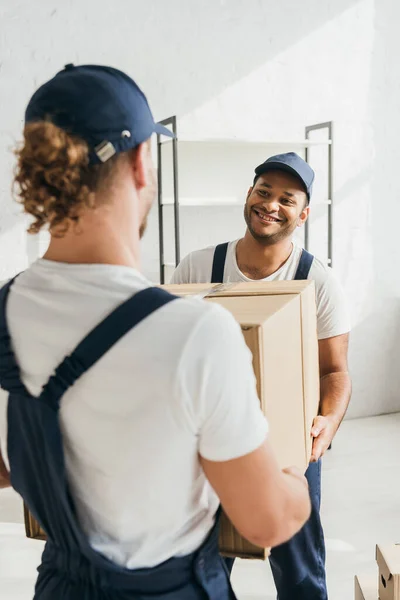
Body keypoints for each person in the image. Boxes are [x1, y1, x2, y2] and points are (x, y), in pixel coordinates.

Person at [0, 65, 311, 600]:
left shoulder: (4, 311)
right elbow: (267, 523)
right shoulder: (193, 333)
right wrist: (296, 478)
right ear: (142, 162)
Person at [171, 152, 352, 600]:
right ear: (248, 196)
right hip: (211, 443)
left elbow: (335, 371)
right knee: (203, 566)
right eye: (263, 192)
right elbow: (170, 357)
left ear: (304, 213)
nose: (271, 204)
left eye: (286, 199)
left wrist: (327, 425)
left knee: (300, 573)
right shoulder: (198, 268)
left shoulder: (317, 280)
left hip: (291, 447)